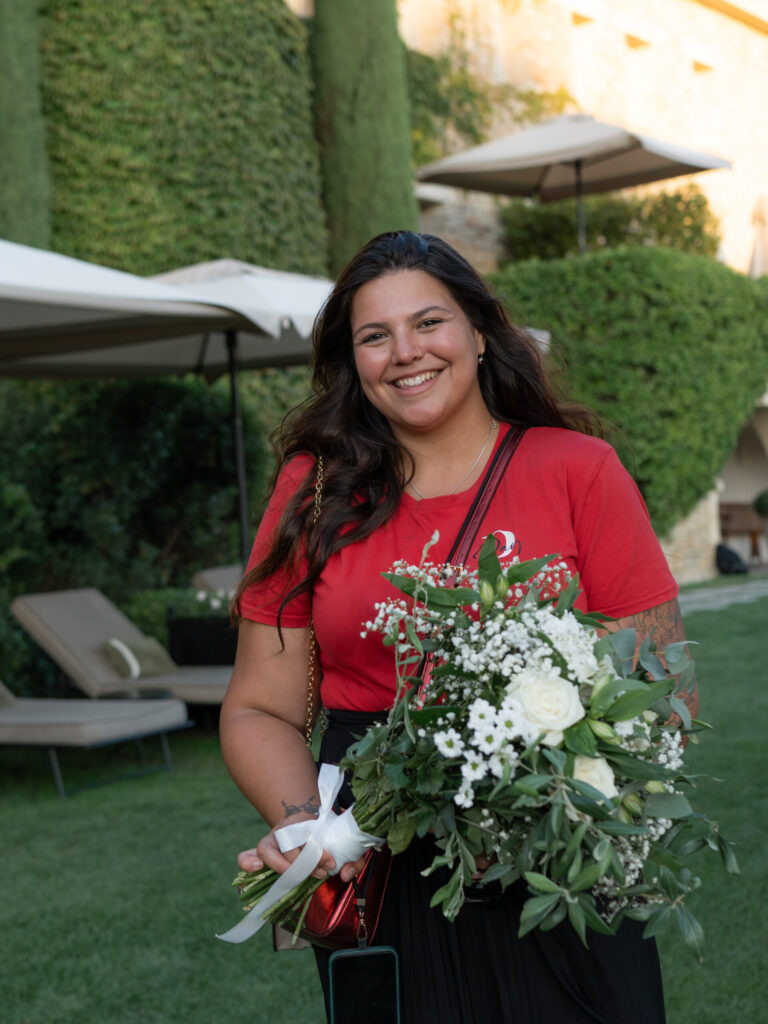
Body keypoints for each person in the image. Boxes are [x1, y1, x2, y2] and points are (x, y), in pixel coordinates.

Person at [220, 230, 697, 1024]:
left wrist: (549, 805)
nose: (405, 352)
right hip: (382, 856)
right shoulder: (314, 490)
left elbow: (663, 694)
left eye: (429, 323)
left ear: (479, 332)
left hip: (561, 857)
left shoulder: (578, 468)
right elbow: (258, 707)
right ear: (354, 360)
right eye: (375, 336)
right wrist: (310, 831)